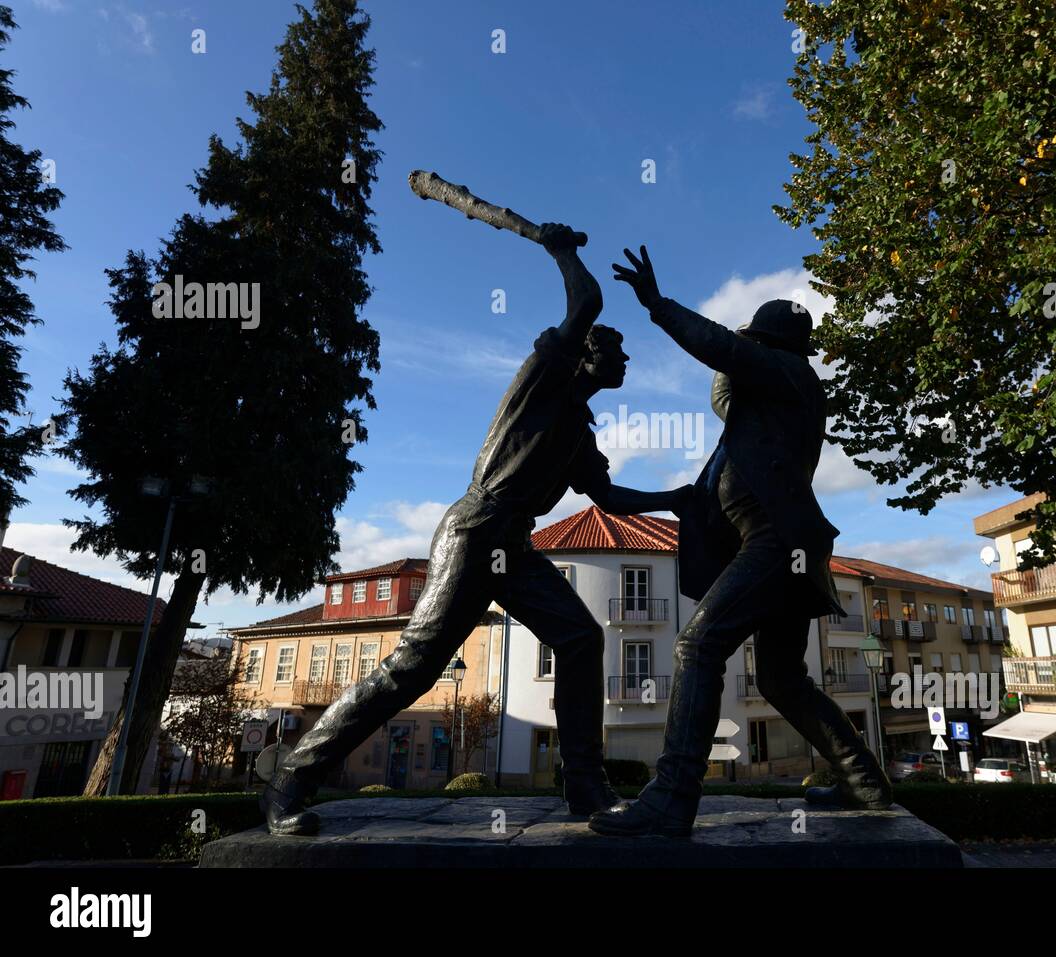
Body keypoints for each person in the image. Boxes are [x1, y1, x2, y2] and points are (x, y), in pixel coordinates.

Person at [262, 225, 689, 835]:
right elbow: (587, 303)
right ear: (588, 355)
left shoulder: (579, 431)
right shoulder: (542, 380)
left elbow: (612, 498)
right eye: (618, 353)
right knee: (412, 668)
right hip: (474, 530)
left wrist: (680, 499)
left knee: (579, 639)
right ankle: (291, 780)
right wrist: (561, 249)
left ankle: (584, 786)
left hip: (512, 544)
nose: (626, 362)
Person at [588, 246, 892, 837]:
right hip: (781, 545)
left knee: (697, 647)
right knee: (780, 679)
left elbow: (725, 354)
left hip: (776, 544)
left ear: (769, 343)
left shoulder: (790, 373)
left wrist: (657, 304)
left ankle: (672, 798)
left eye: (753, 340)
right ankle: (864, 781)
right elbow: (725, 390)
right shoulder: (766, 401)